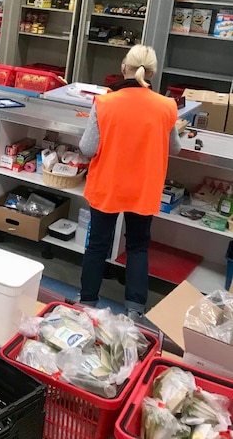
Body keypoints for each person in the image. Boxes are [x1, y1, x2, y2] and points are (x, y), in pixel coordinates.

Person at [79, 44, 183, 320]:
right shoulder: (167, 106)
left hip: (108, 186)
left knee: (98, 244)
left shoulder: (105, 102)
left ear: (123, 68)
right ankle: (135, 310)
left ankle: (87, 302)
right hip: (144, 188)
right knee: (137, 246)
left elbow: (87, 147)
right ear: (152, 73)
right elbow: (175, 148)